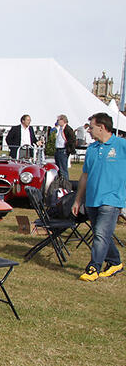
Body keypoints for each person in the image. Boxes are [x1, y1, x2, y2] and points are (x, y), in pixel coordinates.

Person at [73, 112, 125, 281]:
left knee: (101, 234)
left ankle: (93, 268)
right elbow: (85, 176)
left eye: (91, 127)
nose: (89, 131)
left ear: (102, 127)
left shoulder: (121, 145)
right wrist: (78, 200)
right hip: (92, 199)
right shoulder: (92, 149)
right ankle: (115, 262)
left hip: (112, 199)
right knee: (100, 233)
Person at [53, 114, 77, 187]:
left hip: (63, 150)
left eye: (58, 120)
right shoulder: (60, 128)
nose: (57, 122)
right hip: (58, 150)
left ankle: (66, 185)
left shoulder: (67, 129)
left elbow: (72, 139)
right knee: (58, 168)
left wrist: (68, 148)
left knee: (63, 169)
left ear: (63, 120)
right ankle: (60, 183)